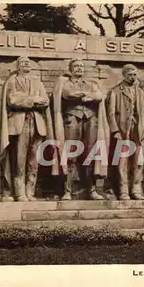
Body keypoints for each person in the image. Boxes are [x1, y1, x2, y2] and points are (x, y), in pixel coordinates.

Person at [0, 56, 57, 202]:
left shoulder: (37, 81)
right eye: (23, 62)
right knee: (19, 160)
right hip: (18, 125)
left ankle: (30, 192)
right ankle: (19, 192)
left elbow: (45, 101)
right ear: (18, 66)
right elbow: (12, 100)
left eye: (28, 62)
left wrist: (27, 100)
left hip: (36, 125)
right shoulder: (12, 81)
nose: (27, 64)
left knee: (33, 161)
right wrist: (32, 99)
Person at [52, 58, 110, 200]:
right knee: (70, 153)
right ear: (71, 69)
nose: (79, 68)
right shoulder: (65, 83)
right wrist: (85, 95)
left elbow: (98, 96)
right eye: (76, 66)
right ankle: (67, 190)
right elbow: (67, 94)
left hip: (91, 120)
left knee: (90, 154)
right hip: (72, 119)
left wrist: (88, 96)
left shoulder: (91, 83)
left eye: (81, 66)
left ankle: (92, 189)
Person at [106, 64, 144, 200]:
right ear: (124, 75)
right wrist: (115, 131)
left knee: (138, 161)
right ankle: (123, 191)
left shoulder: (140, 93)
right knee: (123, 162)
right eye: (130, 75)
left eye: (134, 75)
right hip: (123, 130)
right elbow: (110, 113)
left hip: (138, 130)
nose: (133, 77)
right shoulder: (115, 92)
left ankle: (136, 190)